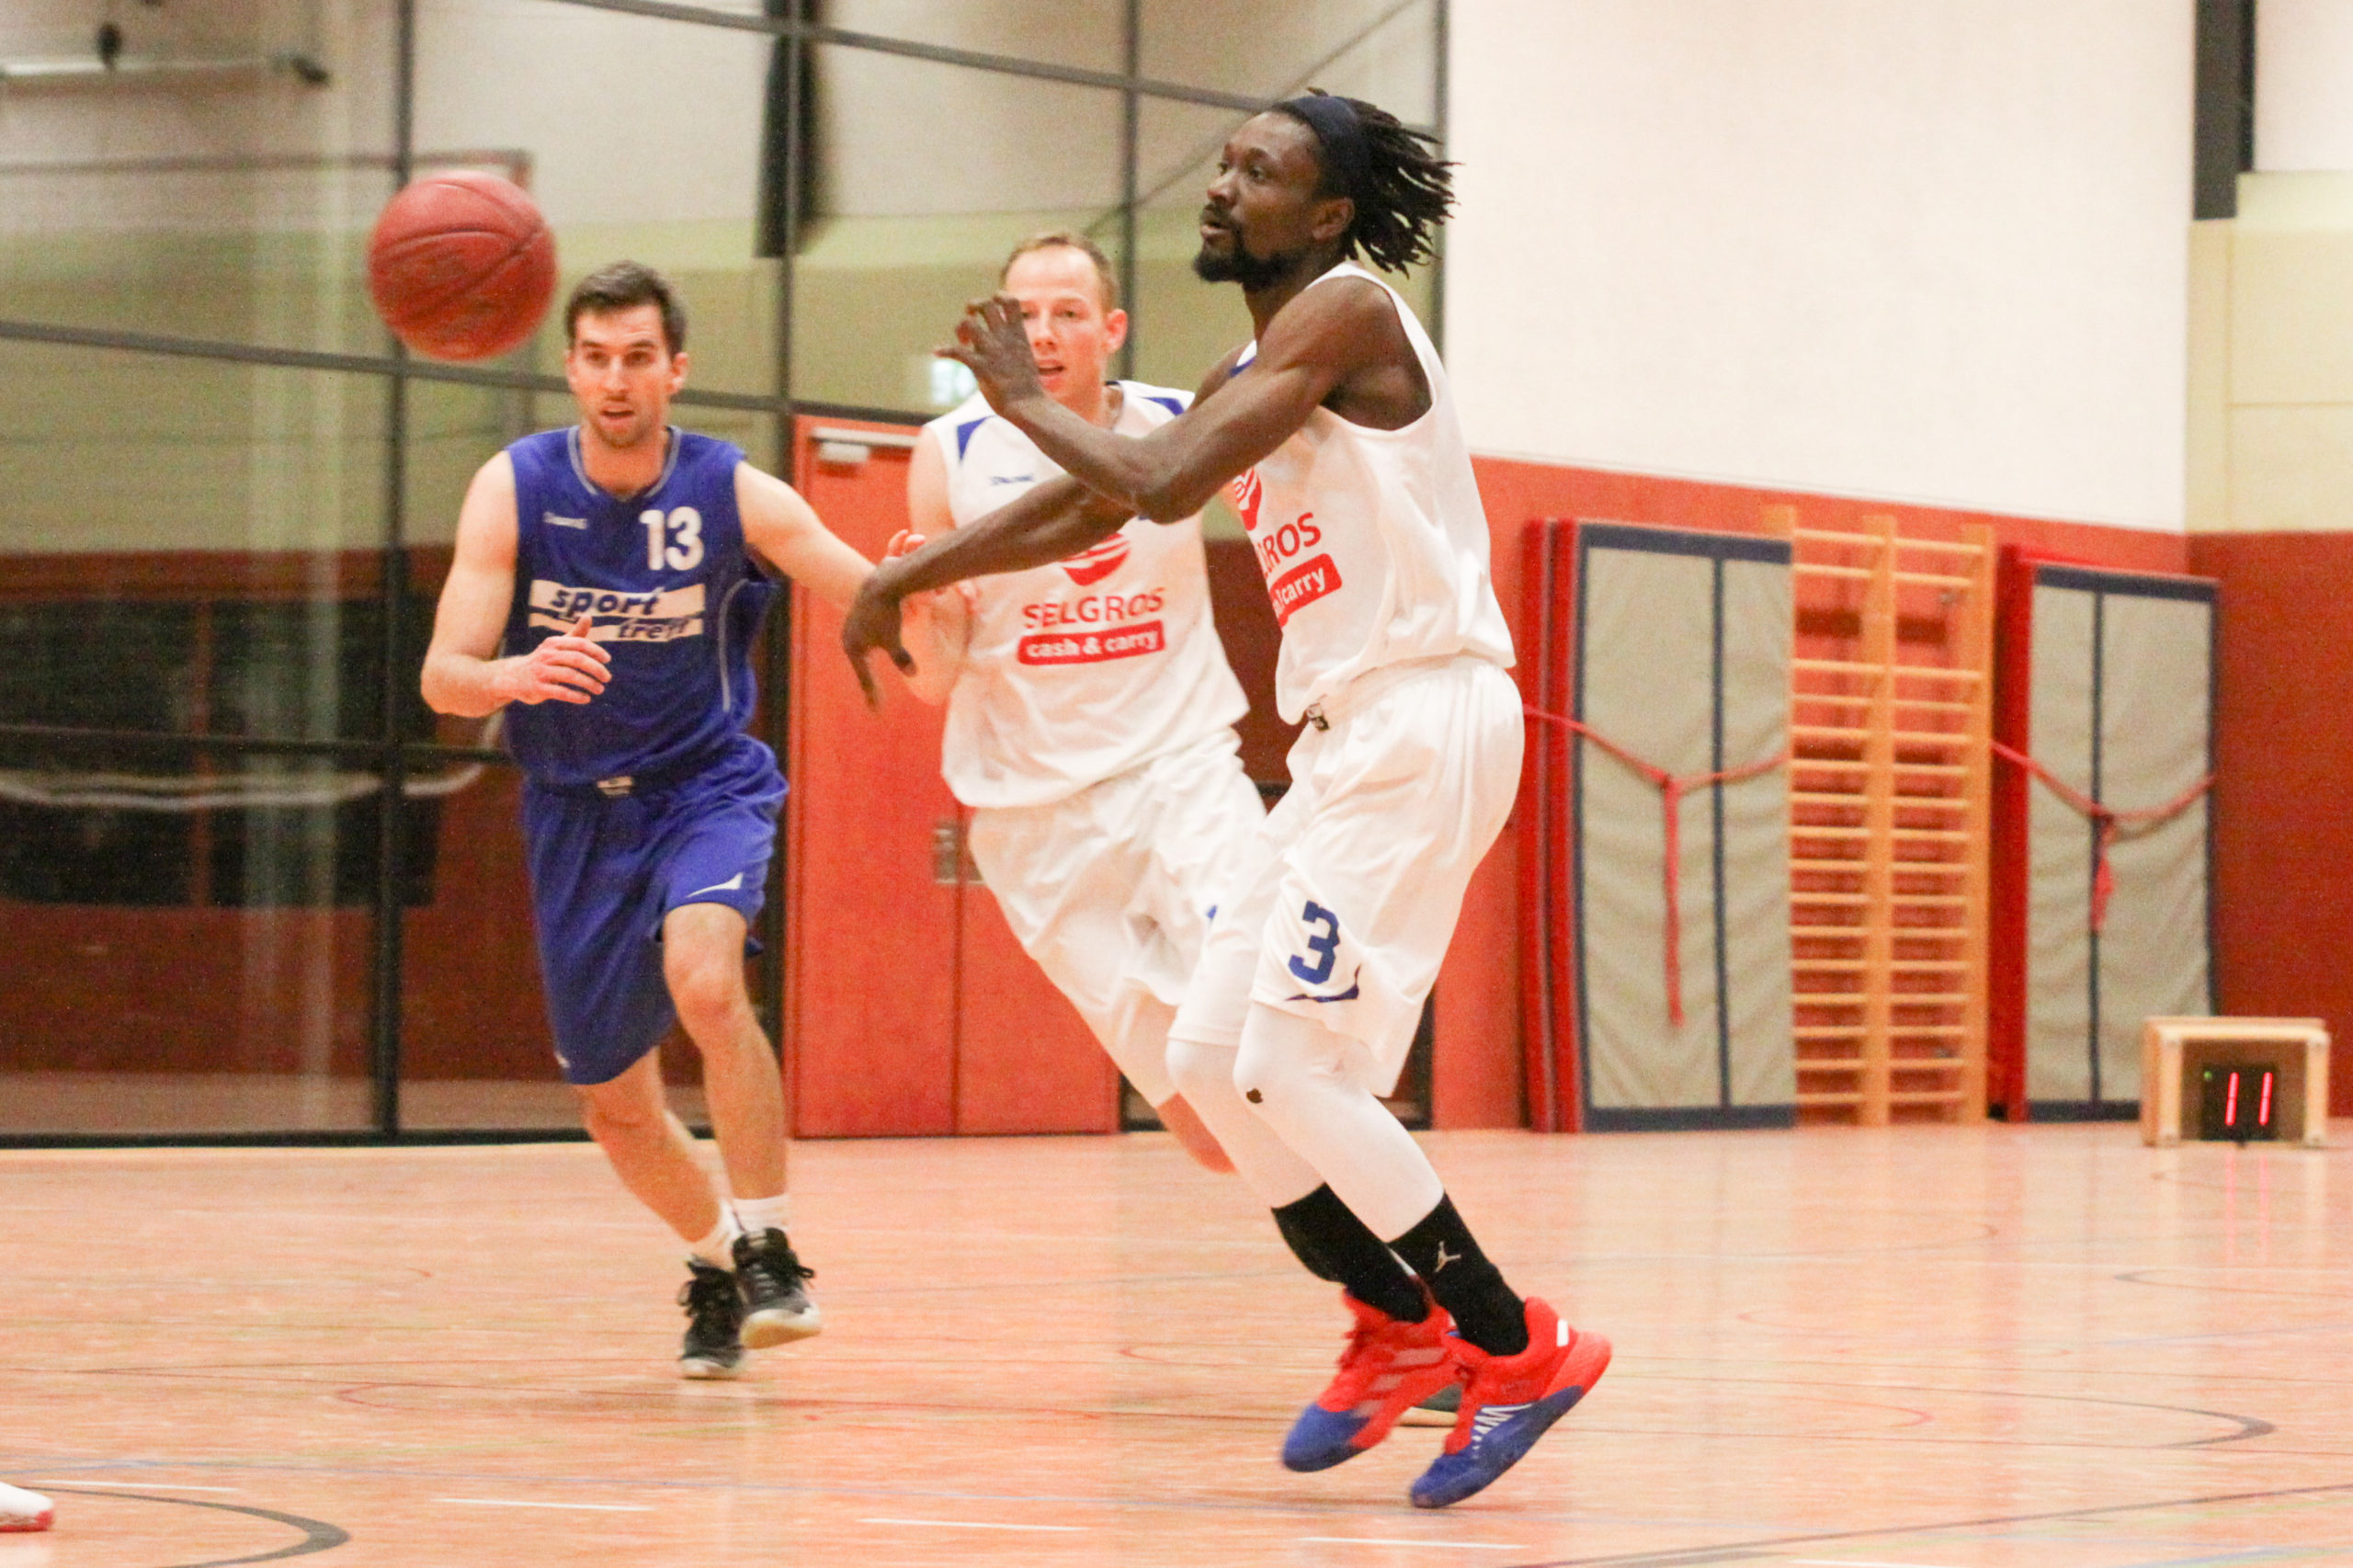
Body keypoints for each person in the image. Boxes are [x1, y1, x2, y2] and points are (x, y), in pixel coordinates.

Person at [842, 93, 1608, 1508]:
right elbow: (1101, 505)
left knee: (1290, 1066)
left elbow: (1158, 477)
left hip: (1425, 714)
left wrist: (1019, 402)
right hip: (1344, 739)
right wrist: (909, 570)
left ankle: (1516, 1343)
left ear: (1327, 214)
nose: (1223, 183)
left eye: (1261, 170)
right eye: (1226, 161)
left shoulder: (1349, 314)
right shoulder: (1256, 361)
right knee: (1208, 1055)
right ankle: (1395, 1322)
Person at [422, 261, 870, 1381]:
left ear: (676, 369)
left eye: (636, 357)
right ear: (571, 368)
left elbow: (864, 589)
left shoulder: (732, 489)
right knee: (614, 1108)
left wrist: (938, 583)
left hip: (702, 786)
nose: (615, 379)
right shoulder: (514, 486)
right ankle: (717, 1263)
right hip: (573, 813)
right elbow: (442, 676)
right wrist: (512, 674)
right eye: (595, 357)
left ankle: (769, 1246)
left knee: (707, 982)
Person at [894, 229, 1257, 1174]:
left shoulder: (1176, 423)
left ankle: (1392, 1243)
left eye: (1068, 313)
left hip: (1180, 776)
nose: (1044, 333)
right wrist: (924, 618)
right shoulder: (949, 450)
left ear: (1113, 329)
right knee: (1210, 1136)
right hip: (1035, 821)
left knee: (1269, 1042)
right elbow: (935, 678)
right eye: (1023, 315)